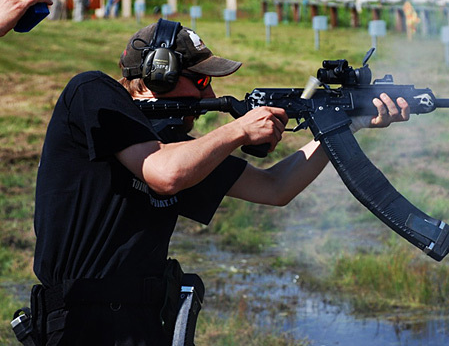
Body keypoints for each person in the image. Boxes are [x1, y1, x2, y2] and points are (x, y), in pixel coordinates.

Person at [31, 19, 410, 345]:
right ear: (154, 77)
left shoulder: (179, 149)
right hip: (81, 322)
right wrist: (239, 129)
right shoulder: (92, 91)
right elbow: (164, 174)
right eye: (199, 80)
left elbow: (275, 187)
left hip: (144, 321)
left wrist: (344, 126)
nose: (209, 94)